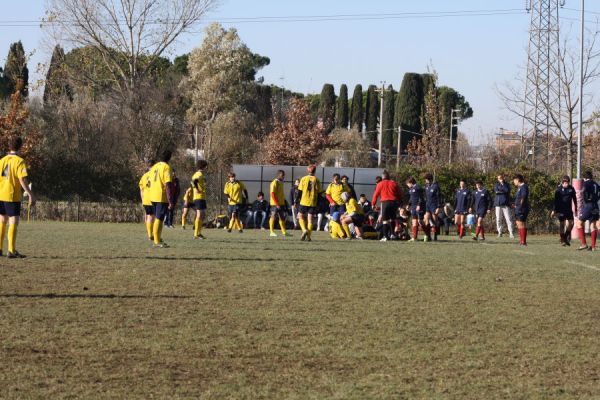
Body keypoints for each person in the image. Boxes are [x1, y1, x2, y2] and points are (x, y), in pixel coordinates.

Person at [0, 137, 36, 258]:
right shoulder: (19, 161)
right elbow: (22, 179)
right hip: (12, 196)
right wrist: (30, 194)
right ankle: (11, 250)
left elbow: (5, 176)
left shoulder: (3, 160)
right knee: (13, 222)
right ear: (20, 147)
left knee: (2, 221)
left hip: (1, 194)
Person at [148, 150, 175, 248]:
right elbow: (168, 184)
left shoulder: (155, 166)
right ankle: (156, 241)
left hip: (152, 195)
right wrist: (170, 199)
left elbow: (149, 181)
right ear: (169, 158)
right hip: (160, 196)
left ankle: (158, 239)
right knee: (159, 218)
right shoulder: (166, 167)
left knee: (157, 218)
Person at [372, 170, 402, 242]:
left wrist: (373, 204)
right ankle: (392, 234)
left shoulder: (380, 184)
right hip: (393, 202)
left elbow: (375, 195)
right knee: (392, 219)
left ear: (382, 177)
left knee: (385, 220)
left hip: (385, 203)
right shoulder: (394, 183)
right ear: (389, 177)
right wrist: (399, 202)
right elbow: (400, 193)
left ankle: (385, 237)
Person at [575, 170, 599, 251]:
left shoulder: (586, 183)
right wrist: (596, 198)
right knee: (593, 226)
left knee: (578, 224)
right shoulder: (596, 184)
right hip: (595, 205)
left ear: (585, 178)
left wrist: (586, 199)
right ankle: (593, 246)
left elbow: (584, 191)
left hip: (589, 205)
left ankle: (584, 244)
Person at [297, 165, 322, 242]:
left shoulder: (303, 179)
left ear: (308, 170)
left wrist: (297, 200)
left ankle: (304, 230)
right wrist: (318, 203)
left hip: (303, 201)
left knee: (300, 217)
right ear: (314, 171)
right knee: (310, 220)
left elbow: (299, 191)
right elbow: (319, 192)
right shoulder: (316, 180)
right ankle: (308, 237)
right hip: (312, 202)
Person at [551, 175, 577, 247]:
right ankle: (563, 240)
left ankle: (565, 237)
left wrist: (576, 208)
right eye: (565, 182)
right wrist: (554, 210)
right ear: (562, 182)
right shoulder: (558, 189)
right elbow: (555, 201)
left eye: (567, 182)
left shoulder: (571, 189)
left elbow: (574, 199)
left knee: (571, 223)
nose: (566, 184)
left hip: (568, 210)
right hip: (560, 210)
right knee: (562, 225)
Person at [269, 170, 291, 237]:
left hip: (281, 203)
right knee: (273, 216)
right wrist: (277, 203)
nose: (284, 176)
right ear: (279, 175)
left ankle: (284, 232)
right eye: (282, 175)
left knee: (282, 217)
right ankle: (271, 232)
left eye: (284, 175)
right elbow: (272, 194)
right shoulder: (274, 182)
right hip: (275, 203)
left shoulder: (281, 182)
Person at [191, 159, 208, 239]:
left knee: (202, 215)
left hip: (201, 197)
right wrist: (197, 189)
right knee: (200, 214)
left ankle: (198, 233)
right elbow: (194, 181)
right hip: (199, 197)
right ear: (204, 167)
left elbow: (192, 182)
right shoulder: (199, 174)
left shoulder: (197, 174)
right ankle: (196, 234)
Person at [138, 160, 155, 241]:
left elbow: (141, 189)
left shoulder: (144, 176)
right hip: (153, 198)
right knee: (152, 217)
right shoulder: (155, 175)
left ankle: (150, 234)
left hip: (145, 199)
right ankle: (151, 235)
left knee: (148, 216)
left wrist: (142, 199)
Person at [494, 174, 515, 238]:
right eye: (499, 178)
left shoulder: (507, 184)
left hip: (505, 204)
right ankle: (499, 232)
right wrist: (502, 191)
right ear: (497, 179)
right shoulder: (496, 185)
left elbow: (507, 190)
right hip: (498, 204)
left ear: (503, 178)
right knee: (498, 219)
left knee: (508, 219)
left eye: (501, 178)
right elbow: (496, 191)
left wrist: (502, 185)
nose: (500, 179)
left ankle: (511, 233)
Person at [406, 176, 425, 242]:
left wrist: (419, 205)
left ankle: (427, 235)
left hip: (418, 207)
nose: (407, 185)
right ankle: (414, 237)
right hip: (413, 207)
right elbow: (411, 198)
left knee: (420, 221)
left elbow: (421, 197)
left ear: (410, 182)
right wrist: (408, 204)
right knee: (414, 222)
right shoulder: (411, 189)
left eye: (407, 184)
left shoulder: (418, 187)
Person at [423, 173, 442, 241]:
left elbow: (439, 197)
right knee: (426, 219)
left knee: (434, 221)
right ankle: (428, 236)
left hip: (434, 205)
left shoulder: (436, 186)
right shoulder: (426, 186)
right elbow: (425, 196)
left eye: (426, 179)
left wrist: (438, 207)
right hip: (427, 205)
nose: (425, 181)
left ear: (429, 179)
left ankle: (435, 236)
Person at [513, 174, 530, 246]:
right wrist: (515, 204)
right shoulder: (519, 187)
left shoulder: (524, 186)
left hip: (522, 208)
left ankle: (523, 241)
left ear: (518, 180)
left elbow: (523, 197)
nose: (514, 182)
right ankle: (521, 241)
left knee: (521, 223)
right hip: (518, 208)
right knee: (518, 223)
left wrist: (520, 206)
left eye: (514, 180)